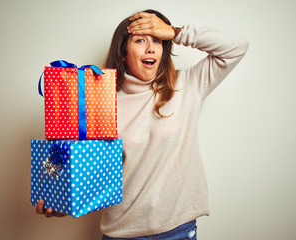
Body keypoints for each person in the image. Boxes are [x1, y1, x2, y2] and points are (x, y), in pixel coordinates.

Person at [36, 9, 248, 240]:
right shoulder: (100, 102)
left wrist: (175, 32)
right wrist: (63, 200)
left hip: (177, 231)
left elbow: (237, 47)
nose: (151, 48)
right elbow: (94, 172)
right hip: (121, 233)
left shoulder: (188, 85)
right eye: (140, 40)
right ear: (123, 53)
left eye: (157, 41)